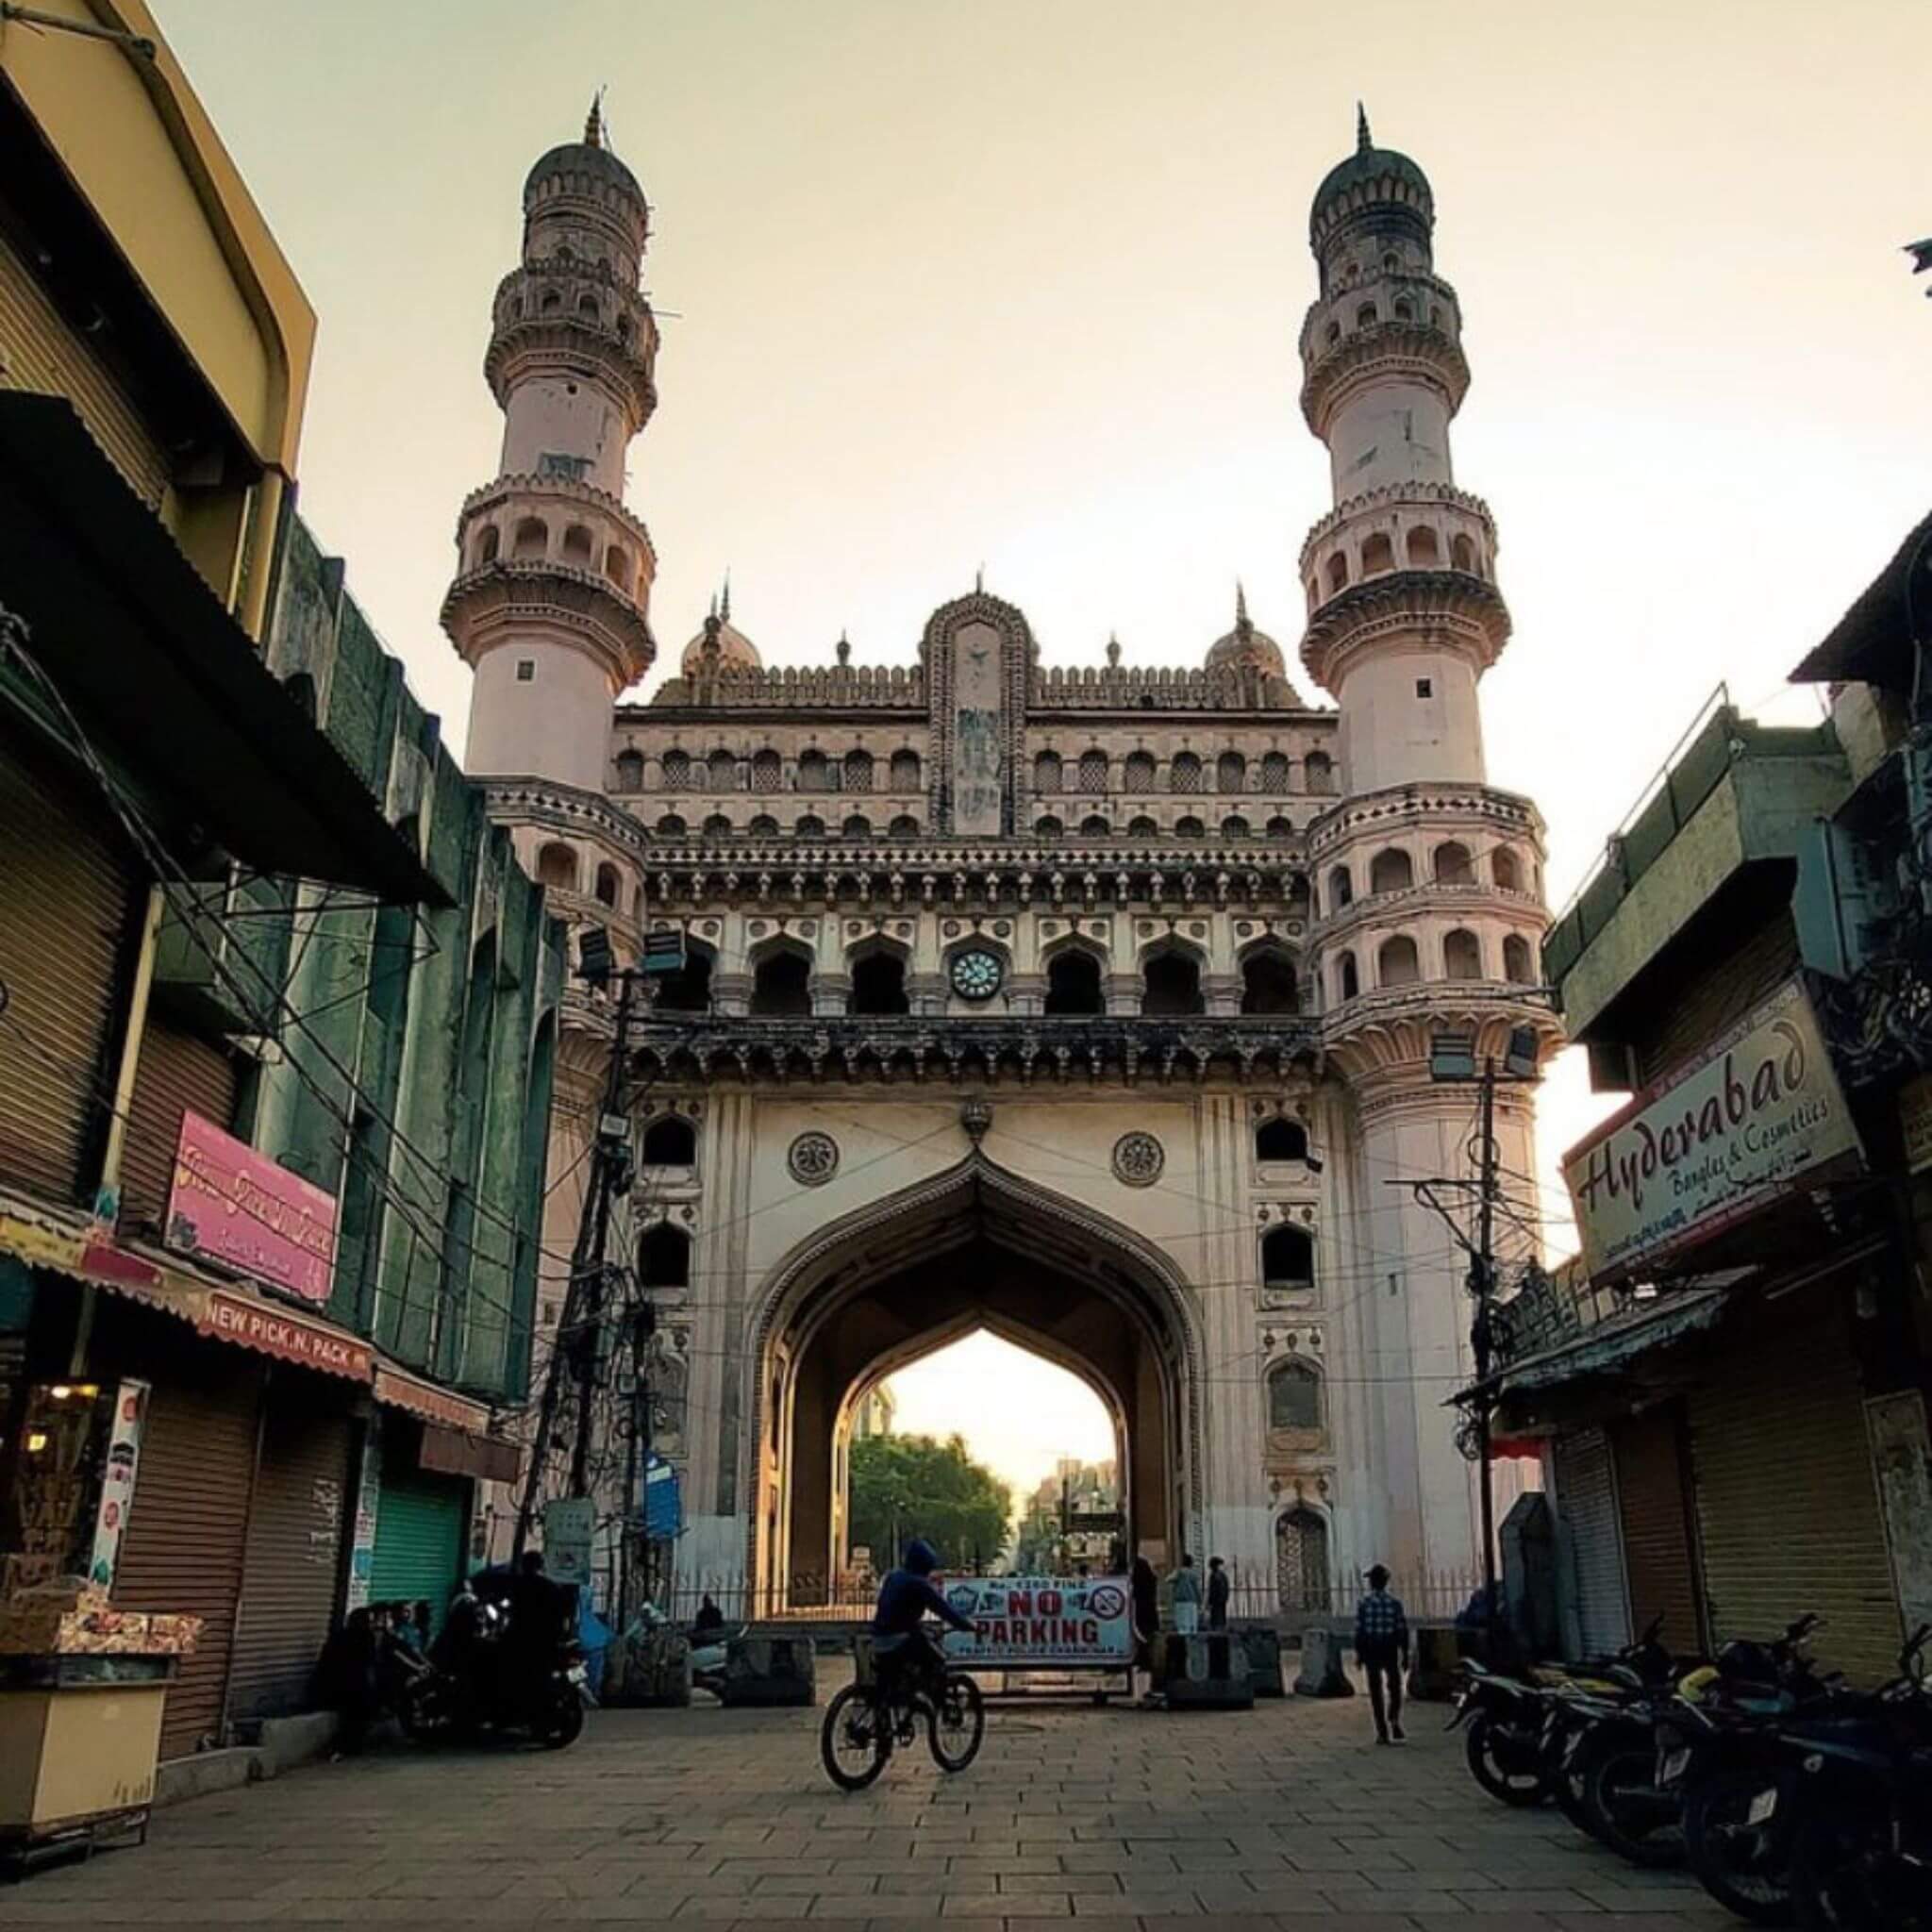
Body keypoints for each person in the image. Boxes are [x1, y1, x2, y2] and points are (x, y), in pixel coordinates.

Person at [871, 1538, 974, 1709]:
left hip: (878, 1638)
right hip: (900, 1639)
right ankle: (926, 1699)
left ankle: (883, 1718)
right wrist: (966, 1625)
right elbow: (943, 1609)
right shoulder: (919, 1584)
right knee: (936, 1661)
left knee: (889, 1679)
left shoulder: (893, 1577)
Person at [1354, 1563, 1410, 1744]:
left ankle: (1381, 1730)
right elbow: (1402, 1630)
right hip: (1390, 1647)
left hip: (1372, 1648)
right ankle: (1393, 1717)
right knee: (1395, 1687)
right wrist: (1406, 1654)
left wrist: (1359, 1655)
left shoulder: (1364, 1604)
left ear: (1372, 1583)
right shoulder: (1395, 1604)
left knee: (1375, 1691)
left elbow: (1359, 1631)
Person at [1130, 1555, 1161, 1706]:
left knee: (1139, 1659)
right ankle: (1146, 1691)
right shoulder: (1151, 1583)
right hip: (1151, 1623)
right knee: (1148, 1659)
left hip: (1139, 1623)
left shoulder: (1135, 1589)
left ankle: (1139, 1694)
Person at [1170, 1553, 1203, 1635]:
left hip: (1180, 1601)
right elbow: (1197, 1589)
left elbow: (1168, 1579)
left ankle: (1183, 1639)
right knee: (1191, 1624)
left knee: (1181, 1624)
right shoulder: (1193, 1574)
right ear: (1191, 1563)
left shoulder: (1179, 1572)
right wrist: (1200, 1600)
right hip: (1191, 1601)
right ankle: (1191, 1639)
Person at [1206, 1557, 1230, 1631]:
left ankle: (1216, 1631)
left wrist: (1209, 1601)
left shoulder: (1214, 1575)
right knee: (1221, 1616)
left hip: (1216, 1600)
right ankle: (1221, 1629)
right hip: (1222, 1599)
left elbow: (1212, 1590)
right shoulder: (1222, 1575)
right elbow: (1226, 1588)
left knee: (1215, 1618)